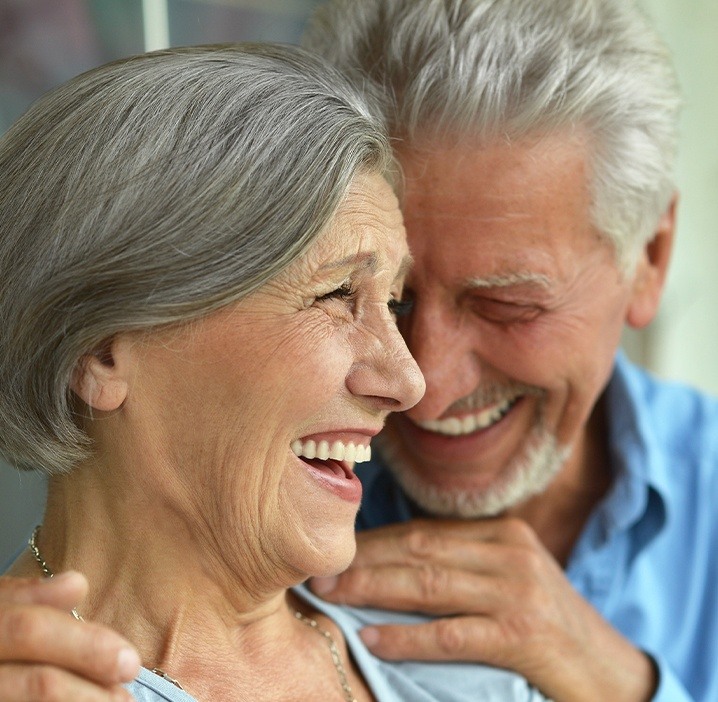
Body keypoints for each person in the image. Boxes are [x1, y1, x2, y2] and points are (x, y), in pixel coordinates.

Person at [0, 41, 560, 702]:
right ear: (100, 351)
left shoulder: (471, 676)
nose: (408, 382)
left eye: (392, 303)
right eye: (336, 295)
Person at [297, 1, 718, 701]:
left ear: (649, 258)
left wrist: (623, 684)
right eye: (381, 300)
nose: (425, 384)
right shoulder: (254, 494)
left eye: (507, 307)